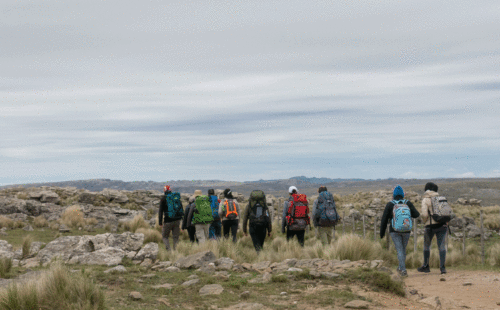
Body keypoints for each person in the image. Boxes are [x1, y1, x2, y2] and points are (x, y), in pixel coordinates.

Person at [380, 185, 420, 277]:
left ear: (394, 195)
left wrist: (382, 233)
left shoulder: (390, 204)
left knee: (399, 250)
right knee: (403, 249)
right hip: (406, 230)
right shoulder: (408, 203)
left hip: (394, 231)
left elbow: (384, 220)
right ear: (402, 194)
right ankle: (400, 267)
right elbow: (416, 214)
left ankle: (403, 270)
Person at [418, 182, 450, 274]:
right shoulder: (442, 198)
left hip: (430, 226)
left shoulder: (426, 200)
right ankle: (442, 268)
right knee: (442, 246)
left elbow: (424, 214)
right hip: (442, 225)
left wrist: (425, 221)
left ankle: (426, 266)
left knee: (427, 246)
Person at [158, 185, 184, 251]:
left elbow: (160, 211)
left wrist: (160, 222)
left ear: (164, 191)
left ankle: (169, 251)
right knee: (176, 237)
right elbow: (181, 208)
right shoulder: (175, 198)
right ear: (170, 190)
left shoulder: (163, 199)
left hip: (168, 221)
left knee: (165, 237)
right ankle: (175, 251)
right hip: (177, 220)